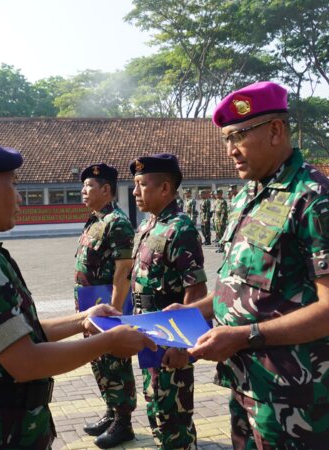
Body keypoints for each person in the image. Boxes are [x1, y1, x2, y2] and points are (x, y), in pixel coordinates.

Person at [0, 139, 155, 450]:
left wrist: (83, 319)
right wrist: (108, 342)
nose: (19, 196)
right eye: (13, 183)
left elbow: (17, 333)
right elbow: (25, 361)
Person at [178, 81, 329, 449]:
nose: (230, 150)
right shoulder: (249, 195)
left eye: (238, 136)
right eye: (226, 139)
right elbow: (241, 286)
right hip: (247, 381)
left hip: (295, 392)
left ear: (275, 131)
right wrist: (191, 313)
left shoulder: (317, 198)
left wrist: (243, 336)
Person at [130, 153, 207, 449]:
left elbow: (196, 291)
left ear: (164, 188)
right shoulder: (148, 226)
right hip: (148, 335)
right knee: (156, 407)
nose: (135, 192)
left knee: (174, 417)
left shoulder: (180, 229)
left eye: (141, 184)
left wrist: (181, 345)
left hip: (169, 340)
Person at [75, 163, 137, 448]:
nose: (83, 191)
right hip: (92, 305)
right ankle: (111, 412)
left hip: (108, 306)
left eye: (89, 186)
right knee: (99, 360)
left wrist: (114, 312)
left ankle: (123, 422)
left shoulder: (117, 222)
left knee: (116, 362)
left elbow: (123, 271)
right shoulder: (95, 220)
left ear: (106, 189)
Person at [213, 189, 228, 253]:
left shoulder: (223, 201)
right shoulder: (216, 201)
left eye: (217, 194)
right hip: (216, 219)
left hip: (221, 220)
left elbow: (223, 212)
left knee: (222, 233)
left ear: (221, 194)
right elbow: (214, 211)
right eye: (215, 194)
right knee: (218, 233)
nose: (216, 195)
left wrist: (221, 220)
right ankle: (220, 246)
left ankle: (223, 247)